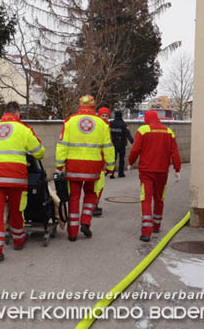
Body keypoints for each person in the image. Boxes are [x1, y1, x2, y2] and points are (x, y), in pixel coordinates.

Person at [0, 102, 45, 264]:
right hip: (16, 177)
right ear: (17, 113)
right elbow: (39, 151)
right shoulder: (23, 129)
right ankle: (18, 241)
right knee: (16, 210)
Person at [55, 95, 115, 241]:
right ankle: (86, 223)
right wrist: (111, 166)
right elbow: (108, 147)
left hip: (73, 166)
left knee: (74, 197)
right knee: (90, 195)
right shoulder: (102, 123)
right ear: (93, 106)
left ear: (80, 105)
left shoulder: (69, 121)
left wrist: (59, 165)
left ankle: (73, 233)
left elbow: (62, 145)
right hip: (93, 167)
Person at [128, 110, 181, 242]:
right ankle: (156, 225)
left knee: (146, 198)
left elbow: (135, 149)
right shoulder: (168, 131)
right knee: (159, 198)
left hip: (146, 171)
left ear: (146, 119)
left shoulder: (143, 130)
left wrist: (130, 162)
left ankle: (146, 232)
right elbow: (175, 152)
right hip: (162, 172)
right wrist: (177, 169)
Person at [92, 107, 112, 217]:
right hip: (98, 159)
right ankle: (93, 205)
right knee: (98, 185)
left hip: (101, 159)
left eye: (106, 116)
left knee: (98, 185)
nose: (104, 118)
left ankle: (94, 204)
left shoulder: (106, 127)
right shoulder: (102, 127)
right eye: (102, 115)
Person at [109, 110, 134, 179]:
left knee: (113, 159)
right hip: (122, 143)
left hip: (114, 143)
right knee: (121, 159)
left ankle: (112, 173)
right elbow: (127, 133)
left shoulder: (111, 123)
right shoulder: (123, 124)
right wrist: (132, 142)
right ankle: (120, 173)